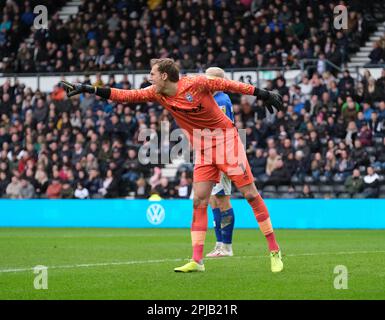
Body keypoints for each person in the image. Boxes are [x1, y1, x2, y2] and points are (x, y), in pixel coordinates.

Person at [60, 58, 284, 273]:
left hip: (227, 144)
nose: (149, 78)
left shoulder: (196, 83)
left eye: (152, 74)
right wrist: (90, 89)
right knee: (199, 201)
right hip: (204, 150)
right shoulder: (157, 93)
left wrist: (262, 94)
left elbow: (228, 84)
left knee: (251, 195)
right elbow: (125, 96)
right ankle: (197, 260)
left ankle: (274, 251)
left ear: (164, 76)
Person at [204, 67, 236, 258]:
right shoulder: (213, 99)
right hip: (211, 154)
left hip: (222, 155)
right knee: (213, 200)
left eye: (208, 79)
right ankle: (219, 244)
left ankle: (227, 246)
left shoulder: (221, 101)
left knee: (222, 200)